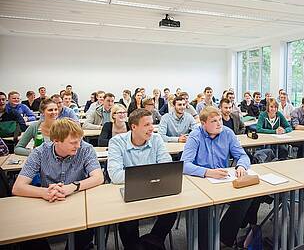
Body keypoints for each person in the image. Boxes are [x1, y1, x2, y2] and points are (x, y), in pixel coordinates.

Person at [12, 118, 104, 250]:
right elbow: (18, 187)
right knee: (27, 236)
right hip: (48, 203)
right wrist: (44, 192)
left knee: (85, 231)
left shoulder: (85, 149)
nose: (78, 146)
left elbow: (98, 177)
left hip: (77, 203)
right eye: (73, 143)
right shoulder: (40, 152)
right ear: (55, 141)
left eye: (79, 140)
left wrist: (71, 187)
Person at [180, 106, 254, 249]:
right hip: (200, 181)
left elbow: (242, 155)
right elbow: (184, 165)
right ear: (203, 124)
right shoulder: (196, 136)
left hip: (223, 180)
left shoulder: (227, 133)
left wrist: (241, 166)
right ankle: (204, 244)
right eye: (214, 121)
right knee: (203, 207)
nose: (219, 123)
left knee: (247, 196)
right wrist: (207, 172)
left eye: (220, 119)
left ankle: (224, 237)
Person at [107, 109, 177, 250]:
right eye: (146, 125)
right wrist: (151, 175)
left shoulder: (156, 139)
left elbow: (166, 167)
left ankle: (147, 244)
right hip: (127, 192)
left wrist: (139, 176)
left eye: (152, 123)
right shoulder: (116, 142)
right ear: (133, 127)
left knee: (171, 213)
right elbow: (115, 175)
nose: (152, 128)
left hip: (153, 189)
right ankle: (139, 246)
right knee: (128, 221)